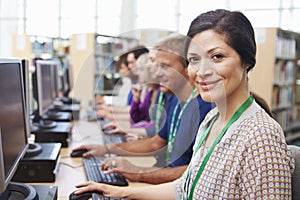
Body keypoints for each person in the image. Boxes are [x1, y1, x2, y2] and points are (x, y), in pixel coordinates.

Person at [72, 9, 295, 199]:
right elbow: (186, 187)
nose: (202, 71)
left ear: (247, 61)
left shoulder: (262, 139)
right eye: (195, 59)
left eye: (217, 57)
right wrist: (120, 192)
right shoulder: (212, 119)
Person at [72, 34, 213, 184]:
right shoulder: (175, 100)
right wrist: (106, 149)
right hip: (167, 179)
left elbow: (196, 172)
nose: (157, 73)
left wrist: (138, 172)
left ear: (189, 67)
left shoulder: (205, 109)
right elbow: (156, 143)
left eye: (164, 66)